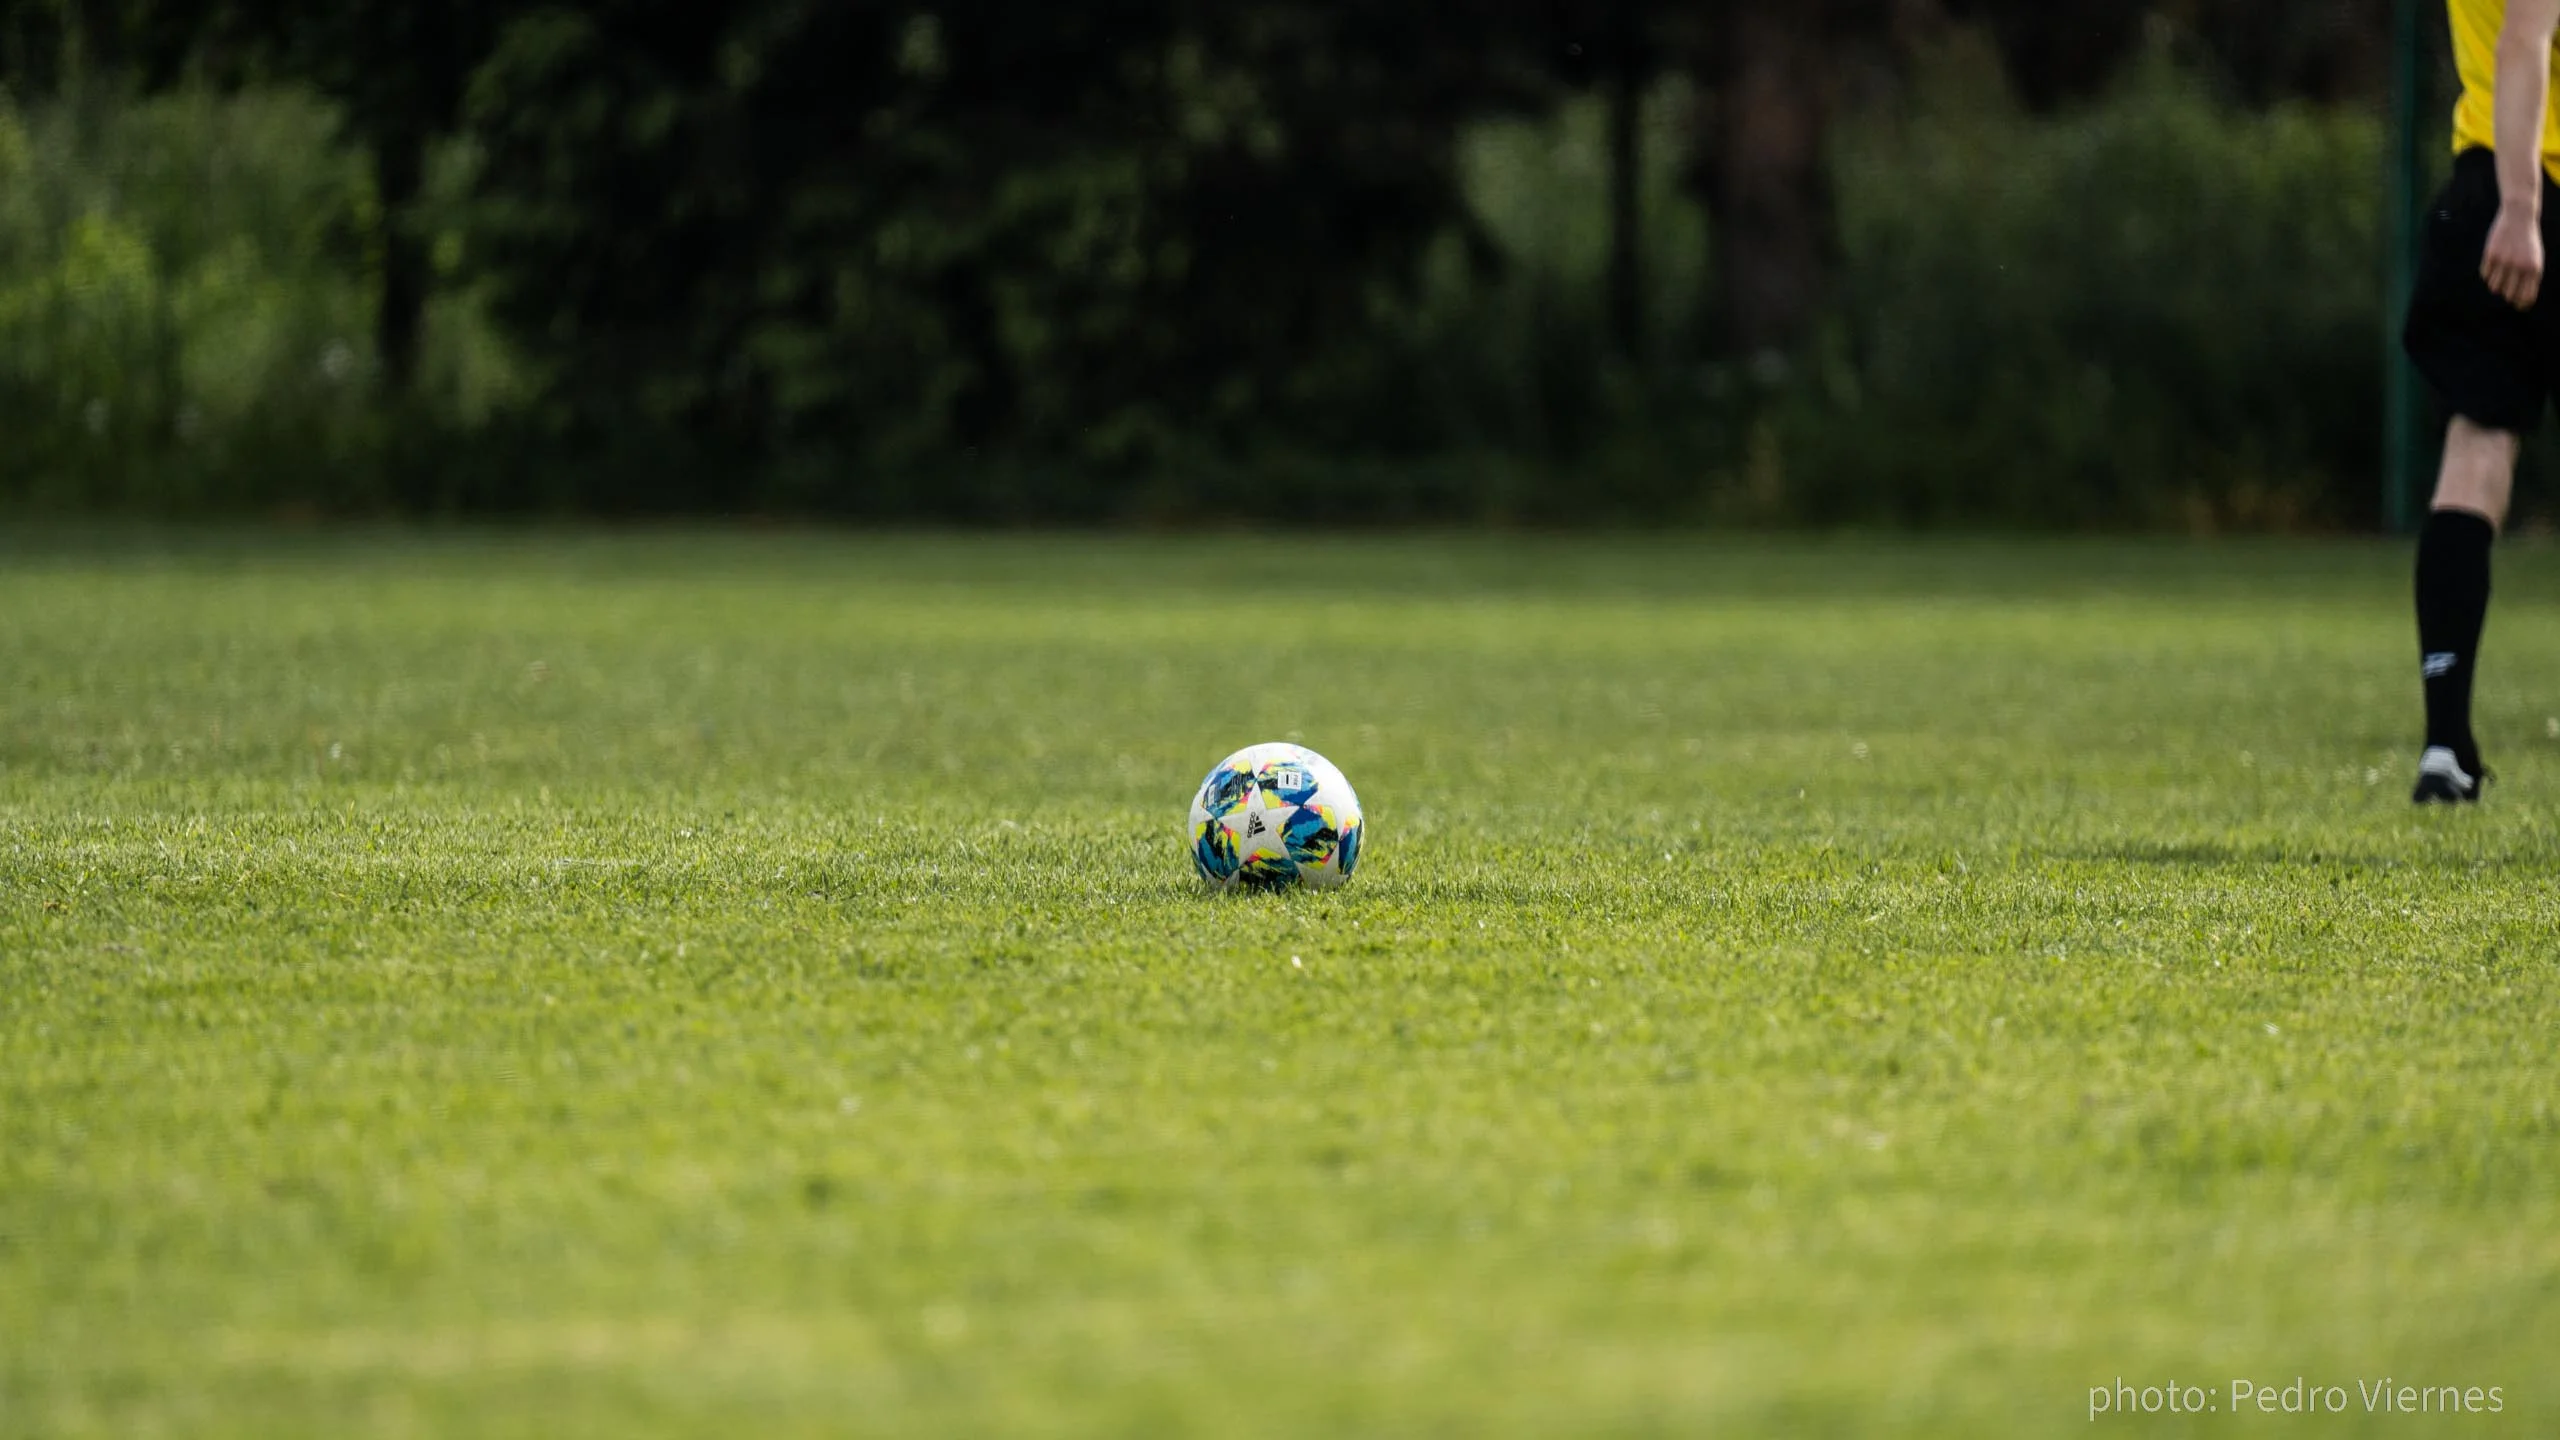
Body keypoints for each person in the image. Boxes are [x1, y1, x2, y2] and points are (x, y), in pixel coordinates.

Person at [2402, 0, 2560, 802]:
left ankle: (2445, 743)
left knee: (2476, 448)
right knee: (2475, 450)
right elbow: (2526, 38)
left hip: (2484, 185)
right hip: (2529, 189)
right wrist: (2524, 206)